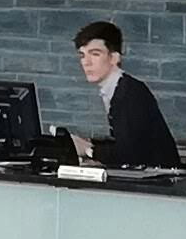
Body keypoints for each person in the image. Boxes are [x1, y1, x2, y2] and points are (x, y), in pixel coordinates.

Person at [63, 20, 177, 166]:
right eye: (82, 55)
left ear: (114, 58)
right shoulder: (119, 89)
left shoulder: (130, 93)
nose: (86, 62)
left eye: (95, 54)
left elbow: (131, 154)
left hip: (159, 182)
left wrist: (88, 150)